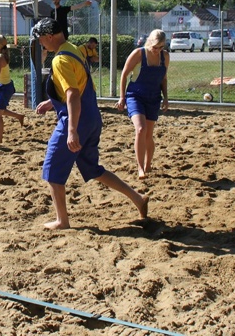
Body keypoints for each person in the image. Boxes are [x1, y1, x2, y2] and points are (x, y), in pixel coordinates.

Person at [32, 18, 148, 230]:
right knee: (92, 169)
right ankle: (138, 198)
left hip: (76, 120)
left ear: (49, 36)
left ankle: (62, 221)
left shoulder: (59, 60)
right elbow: (80, 84)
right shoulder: (73, 49)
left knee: (52, 169)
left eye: (41, 39)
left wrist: (72, 131)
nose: (40, 43)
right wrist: (52, 102)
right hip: (92, 117)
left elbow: (73, 94)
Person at [115, 29, 169, 179]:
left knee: (148, 135)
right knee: (140, 129)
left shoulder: (165, 56)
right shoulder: (138, 53)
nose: (158, 50)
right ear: (149, 42)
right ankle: (140, 168)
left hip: (153, 97)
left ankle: (148, 165)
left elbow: (163, 79)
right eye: (155, 47)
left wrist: (166, 98)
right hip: (135, 96)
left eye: (161, 47)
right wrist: (122, 97)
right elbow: (124, 74)